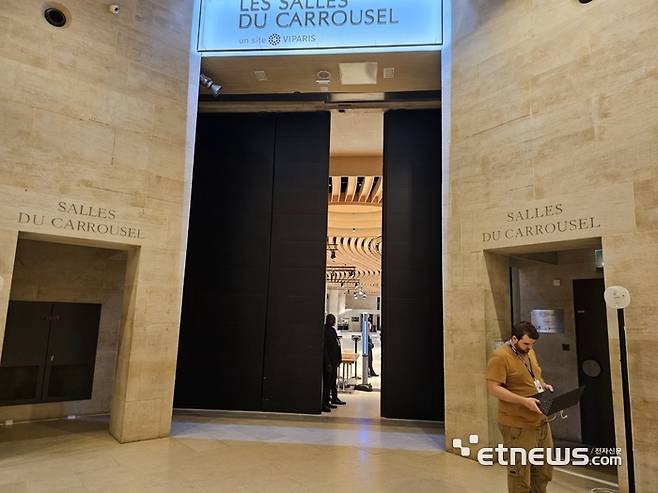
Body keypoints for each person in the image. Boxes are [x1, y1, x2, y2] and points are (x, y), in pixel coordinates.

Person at [486, 321, 555, 493]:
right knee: (520, 473)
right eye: (526, 343)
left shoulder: (530, 352)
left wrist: (544, 386)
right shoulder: (500, 357)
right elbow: (493, 388)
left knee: (543, 470)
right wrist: (524, 401)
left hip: (540, 420)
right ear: (514, 338)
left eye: (532, 344)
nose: (529, 347)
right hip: (517, 424)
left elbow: (534, 377)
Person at [323, 314, 345, 412]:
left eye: (334, 320)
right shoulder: (325, 331)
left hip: (334, 361)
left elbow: (337, 344)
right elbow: (325, 349)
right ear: (328, 320)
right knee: (327, 383)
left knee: (333, 381)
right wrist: (327, 362)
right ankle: (325, 402)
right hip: (329, 362)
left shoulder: (332, 330)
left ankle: (334, 398)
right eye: (332, 319)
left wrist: (338, 359)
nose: (334, 321)